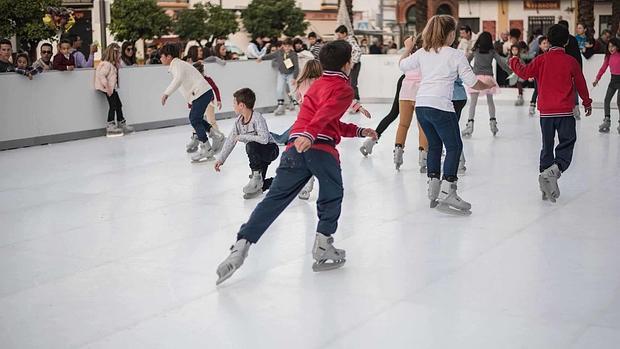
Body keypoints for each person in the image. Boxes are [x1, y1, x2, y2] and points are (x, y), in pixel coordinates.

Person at [214, 40, 379, 285]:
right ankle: (323, 244)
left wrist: (358, 131)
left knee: (274, 200)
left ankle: (241, 245)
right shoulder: (344, 88)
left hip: (293, 149)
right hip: (318, 147)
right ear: (348, 64)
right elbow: (324, 117)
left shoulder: (317, 85)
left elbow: (328, 120)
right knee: (332, 193)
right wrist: (311, 134)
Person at [400, 14, 493, 216]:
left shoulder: (423, 52)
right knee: (454, 146)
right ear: (450, 34)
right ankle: (448, 190)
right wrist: (488, 84)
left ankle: (433, 187)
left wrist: (408, 48)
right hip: (440, 105)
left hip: (422, 106)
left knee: (434, 145)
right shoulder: (455, 54)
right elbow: (471, 82)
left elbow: (402, 65)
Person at [509, 24, 592, 202]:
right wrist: (586, 102)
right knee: (568, 141)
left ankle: (544, 182)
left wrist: (514, 60)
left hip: (546, 113)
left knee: (547, 146)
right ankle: (554, 171)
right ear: (567, 41)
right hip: (564, 112)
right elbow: (581, 83)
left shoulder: (541, 60)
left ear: (548, 41)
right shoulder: (571, 61)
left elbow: (524, 73)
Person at [159, 44, 225, 162]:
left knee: (194, 119)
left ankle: (206, 147)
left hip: (201, 93)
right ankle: (216, 136)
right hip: (202, 93)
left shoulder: (177, 64)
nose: (160, 59)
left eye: (162, 56)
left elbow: (178, 79)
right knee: (196, 118)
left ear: (168, 57)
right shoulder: (178, 64)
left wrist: (166, 94)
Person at [214, 88, 280, 199]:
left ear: (242, 105)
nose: (233, 106)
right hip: (258, 155)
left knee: (251, 145)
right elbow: (231, 140)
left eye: (234, 103)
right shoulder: (238, 122)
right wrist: (221, 159)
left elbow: (264, 139)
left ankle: (256, 176)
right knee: (261, 186)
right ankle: (282, 181)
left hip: (270, 150)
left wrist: (243, 136)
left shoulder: (257, 118)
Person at [461, 31, 512, 137]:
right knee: (490, 102)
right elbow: (502, 63)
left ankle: (470, 125)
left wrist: (471, 71)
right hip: (489, 78)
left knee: (473, 103)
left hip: (477, 78)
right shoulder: (492, 52)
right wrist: (511, 72)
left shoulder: (476, 50)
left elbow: (466, 61)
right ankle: (493, 123)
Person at [185, 61, 226, 153]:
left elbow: (215, 88)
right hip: (198, 102)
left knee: (211, 120)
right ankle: (197, 139)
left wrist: (218, 100)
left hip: (209, 102)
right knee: (196, 121)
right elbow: (191, 93)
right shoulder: (193, 81)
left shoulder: (207, 79)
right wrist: (190, 104)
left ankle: (218, 138)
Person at [95, 43, 134, 137]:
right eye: (119, 53)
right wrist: (107, 87)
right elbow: (101, 75)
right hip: (107, 89)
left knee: (118, 105)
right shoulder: (106, 65)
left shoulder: (112, 65)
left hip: (112, 89)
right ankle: (110, 125)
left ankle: (121, 122)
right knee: (113, 106)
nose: (120, 55)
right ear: (113, 53)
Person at [257, 38, 299, 115]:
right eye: (285, 46)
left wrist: (294, 78)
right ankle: (281, 106)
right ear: (283, 46)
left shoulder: (293, 54)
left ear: (291, 46)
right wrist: (262, 58)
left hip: (290, 74)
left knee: (292, 90)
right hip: (281, 73)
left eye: (288, 46)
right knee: (279, 89)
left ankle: (296, 105)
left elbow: (296, 67)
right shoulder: (279, 52)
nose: (286, 48)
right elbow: (271, 55)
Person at [593, 38, 620, 133]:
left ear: (617, 46)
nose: (611, 49)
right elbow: (603, 68)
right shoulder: (608, 57)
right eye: (609, 47)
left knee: (619, 102)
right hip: (613, 81)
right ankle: (607, 120)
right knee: (606, 100)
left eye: (613, 46)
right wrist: (597, 79)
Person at [558, 20, 584, 119]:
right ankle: (569, 108)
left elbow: (577, 56)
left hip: (570, 68)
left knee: (573, 88)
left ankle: (575, 108)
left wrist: (579, 70)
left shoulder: (571, 40)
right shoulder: (560, 40)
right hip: (565, 68)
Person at [335, 25, 362, 111]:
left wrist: (353, 63)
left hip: (353, 65)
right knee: (348, 84)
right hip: (348, 65)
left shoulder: (350, 40)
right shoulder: (344, 41)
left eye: (339, 34)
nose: (338, 36)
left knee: (352, 84)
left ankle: (356, 104)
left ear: (344, 33)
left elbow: (358, 51)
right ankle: (352, 104)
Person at [528, 36, 550, 116]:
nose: (546, 45)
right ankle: (532, 106)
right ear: (540, 45)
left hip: (547, 77)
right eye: (544, 43)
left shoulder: (550, 54)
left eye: (547, 43)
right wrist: (531, 75)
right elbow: (533, 67)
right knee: (537, 90)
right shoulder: (537, 55)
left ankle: (547, 106)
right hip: (538, 77)